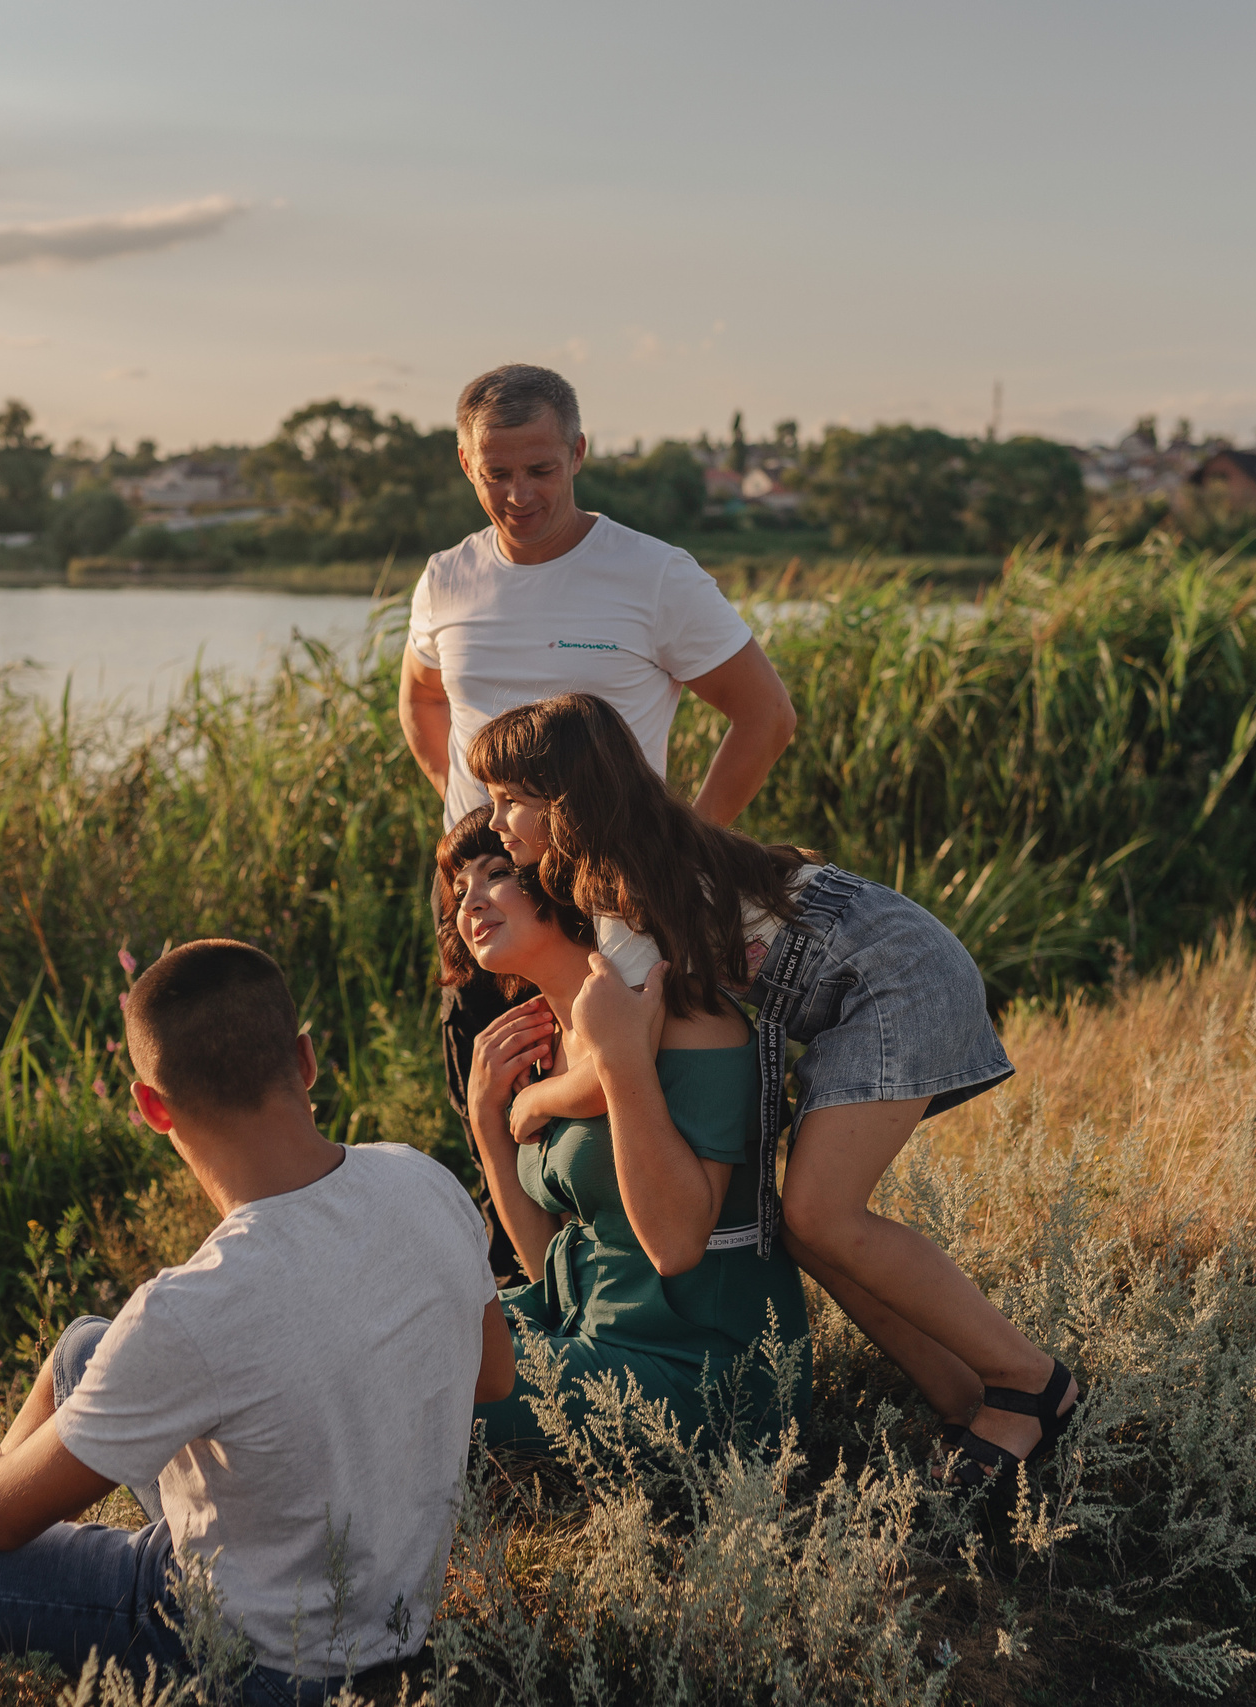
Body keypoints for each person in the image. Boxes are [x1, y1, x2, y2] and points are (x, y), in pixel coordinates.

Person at [0, 941, 514, 1706]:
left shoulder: (195, 1307)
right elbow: (491, 1375)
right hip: (393, 1611)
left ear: (152, 1107)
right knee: (88, 1344)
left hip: (239, 1652)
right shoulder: (421, 1179)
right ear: (304, 1057)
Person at [468, 694, 1081, 1489]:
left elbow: (623, 1053)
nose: (496, 819)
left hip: (895, 982)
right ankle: (966, 1398)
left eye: (514, 800)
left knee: (819, 1213)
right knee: (807, 1229)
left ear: (572, 799)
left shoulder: (621, 894)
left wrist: (532, 1103)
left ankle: (1032, 1383)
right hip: (873, 985)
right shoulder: (649, 853)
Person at [398, 362, 797, 1269]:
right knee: (489, 1095)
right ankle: (523, 1302)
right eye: (496, 471)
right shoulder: (445, 579)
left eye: (540, 468)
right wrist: (461, 819)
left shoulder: (653, 575)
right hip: (479, 896)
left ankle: (619, 1306)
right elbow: (421, 702)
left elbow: (765, 717)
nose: (518, 491)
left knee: (606, 1096)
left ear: (578, 452)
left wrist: (676, 847)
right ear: (465, 464)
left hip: (597, 892)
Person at [439, 809, 809, 1454]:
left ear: (558, 879)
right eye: (459, 886)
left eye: (497, 872)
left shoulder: (690, 1018)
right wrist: (487, 1120)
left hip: (699, 1368)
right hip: (585, 1332)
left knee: (414, 1387)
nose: (470, 900)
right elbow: (544, 1263)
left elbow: (673, 1243)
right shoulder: (543, 1043)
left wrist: (620, 1063)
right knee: (396, 1337)